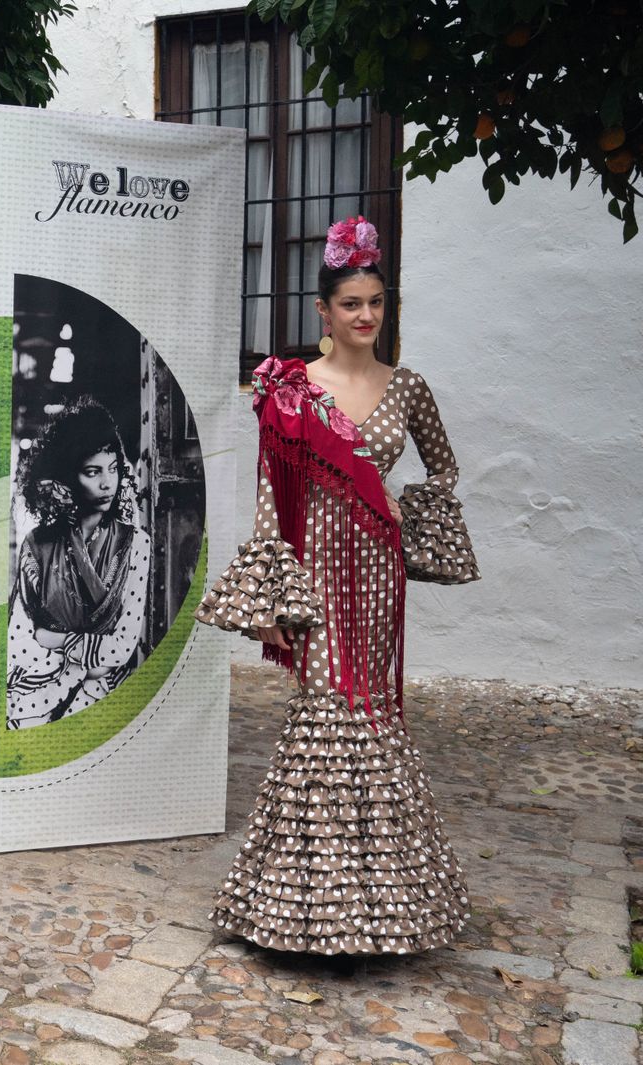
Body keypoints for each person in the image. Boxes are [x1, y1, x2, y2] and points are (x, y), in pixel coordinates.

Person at [195, 216, 479, 954]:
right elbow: (269, 491)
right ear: (323, 312)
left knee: (373, 711)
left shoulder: (407, 388)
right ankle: (306, 906)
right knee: (325, 709)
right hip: (313, 566)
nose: (364, 315)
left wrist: (412, 523)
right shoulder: (294, 390)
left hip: (378, 574)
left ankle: (381, 906)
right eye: (350, 303)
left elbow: (442, 467)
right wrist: (267, 605)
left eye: (376, 303)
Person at [7, 397, 151, 728]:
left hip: (107, 696)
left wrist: (57, 638)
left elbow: (121, 650)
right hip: (35, 696)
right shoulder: (38, 544)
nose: (107, 484)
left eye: (113, 469)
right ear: (69, 476)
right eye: (92, 472)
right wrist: (84, 658)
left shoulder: (136, 545)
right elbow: (18, 642)